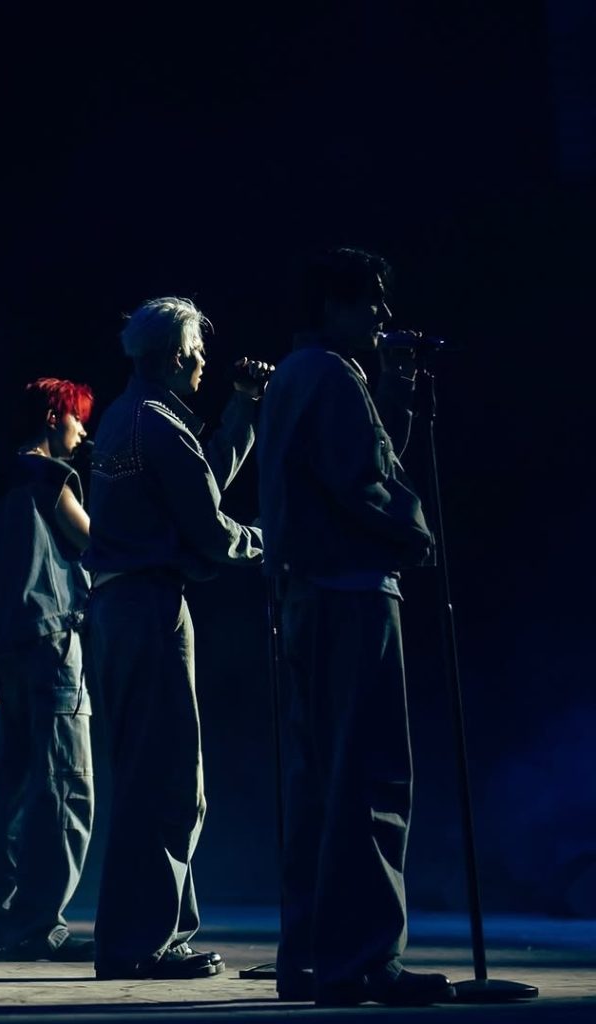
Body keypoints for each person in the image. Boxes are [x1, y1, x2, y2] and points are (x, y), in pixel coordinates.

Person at [256, 247, 453, 1006]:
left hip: (309, 594)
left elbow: (362, 461)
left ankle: (311, 956)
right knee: (369, 774)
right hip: (352, 595)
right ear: (332, 305)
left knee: (319, 781)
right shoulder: (335, 377)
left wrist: (393, 392)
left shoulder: (300, 375)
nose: (384, 314)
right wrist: (416, 530)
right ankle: (365, 959)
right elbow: (365, 482)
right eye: (370, 300)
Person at [84, 298, 270, 980]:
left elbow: (200, 485)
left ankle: (143, 937)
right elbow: (211, 529)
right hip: (150, 608)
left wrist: (242, 408)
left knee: (147, 773)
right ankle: (146, 942)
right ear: (174, 357)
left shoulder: (125, 416)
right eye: (198, 354)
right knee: (169, 778)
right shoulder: (159, 424)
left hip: (120, 608)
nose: (204, 365)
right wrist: (271, 540)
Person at [0, 378, 96, 962]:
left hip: (8, 648)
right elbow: (95, 541)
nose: (83, 431)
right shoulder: (47, 476)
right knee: (65, 783)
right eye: (78, 418)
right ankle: (42, 923)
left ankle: (6, 919)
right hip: (51, 641)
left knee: (14, 787)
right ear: (53, 416)